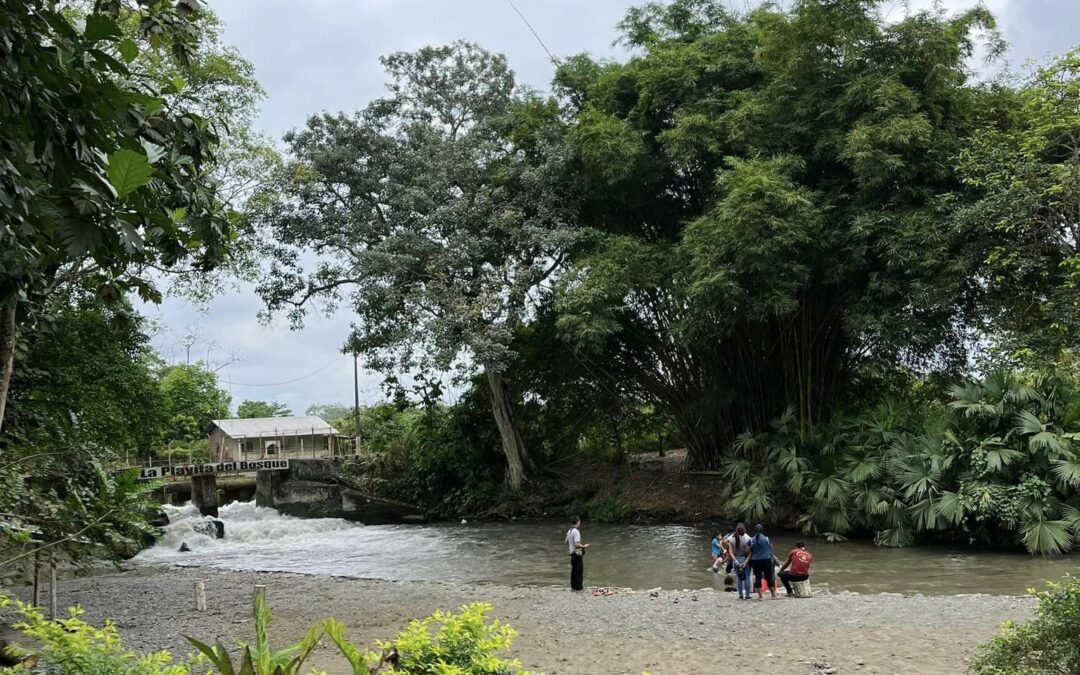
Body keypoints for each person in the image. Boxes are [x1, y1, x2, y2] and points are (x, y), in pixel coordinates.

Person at [749, 523, 778, 600]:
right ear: (762, 530)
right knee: (769, 577)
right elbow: (771, 548)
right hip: (766, 559)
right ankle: (773, 595)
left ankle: (760, 596)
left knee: (758, 577)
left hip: (755, 560)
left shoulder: (751, 540)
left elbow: (747, 550)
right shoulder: (767, 539)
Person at [729, 523, 752, 599]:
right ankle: (747, 595)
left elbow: (730, 552)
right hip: (745, 560)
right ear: (744, 530)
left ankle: (740, 595)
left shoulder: (732, 539)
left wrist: (735, 561)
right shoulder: (748, 538)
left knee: (739, 578)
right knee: (747, 577)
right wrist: (745, 563)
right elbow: (750, 553)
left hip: (736, 560)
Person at [566, 516, 589, 591]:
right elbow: (577, 544)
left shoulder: (569, 531)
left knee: (574, 571)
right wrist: (584, 546)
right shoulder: (576, 531)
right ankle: (579, 588)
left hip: (572, 553)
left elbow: (566, 542)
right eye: (579, 521)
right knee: (579, 570)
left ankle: (573, 587)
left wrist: (571, 546)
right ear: (577, 522)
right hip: (577, 552)